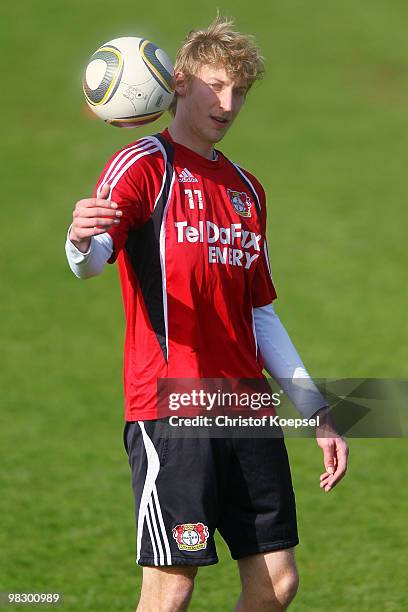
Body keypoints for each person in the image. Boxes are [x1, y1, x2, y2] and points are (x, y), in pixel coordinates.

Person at [65, 16, 349, 612]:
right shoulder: (144, 165)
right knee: (172, 586)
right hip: (170, 407)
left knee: (277, 582)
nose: (229, 103)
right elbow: (94, 261)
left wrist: (317, 409)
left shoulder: (248, 189)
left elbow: (262, 314)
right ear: (180, 83)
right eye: (216, 86)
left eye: (240, 91)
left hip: (245, 407)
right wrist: (77, 240)